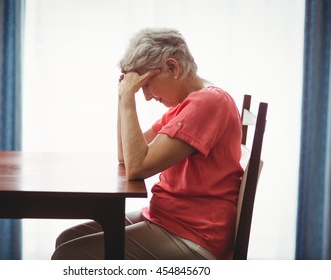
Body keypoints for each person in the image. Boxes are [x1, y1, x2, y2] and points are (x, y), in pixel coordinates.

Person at [51, 28, 243, 260]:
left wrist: (128, 100)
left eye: (146, 84)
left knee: (69, 254)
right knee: (67, 239)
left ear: (173, 67)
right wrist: (123, 96)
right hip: (168, 219)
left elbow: (137, 167)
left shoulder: (208, 103)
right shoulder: (186, 105)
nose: (147, 96)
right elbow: (126, 155)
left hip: (194, 235)